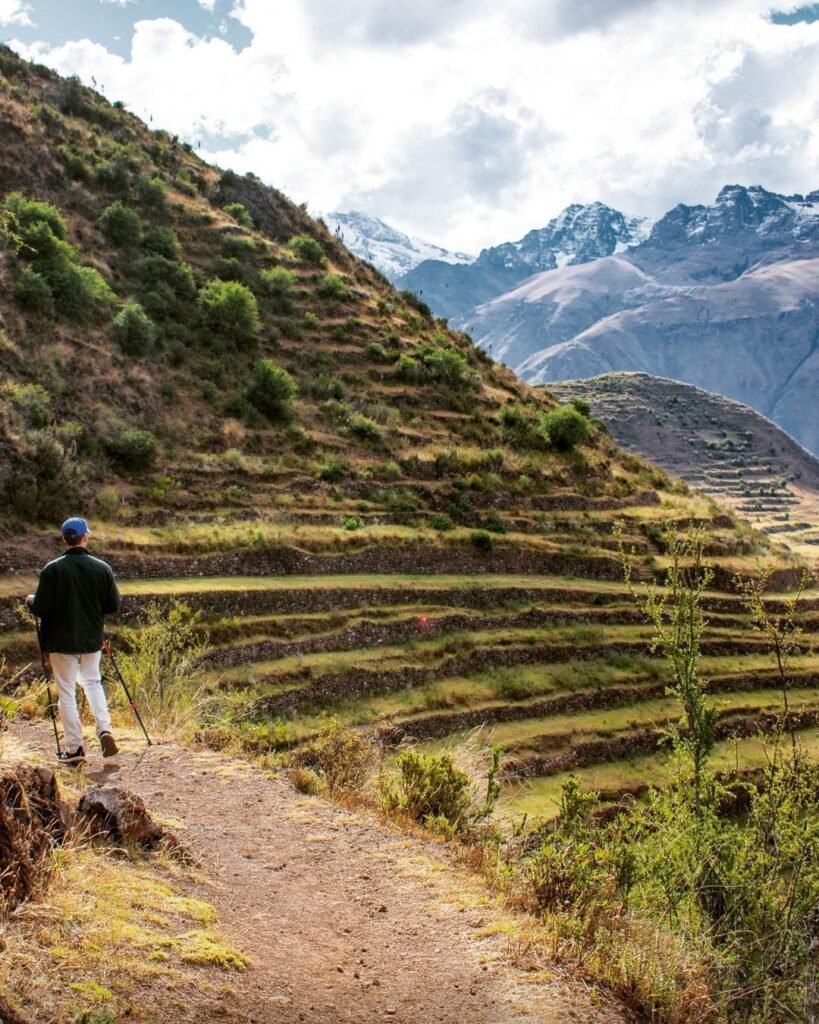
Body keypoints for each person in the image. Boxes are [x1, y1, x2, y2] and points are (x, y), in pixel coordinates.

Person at [27, 517, 122, 764]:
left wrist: (30, 600)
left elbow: (40, 608)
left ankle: (74, 749)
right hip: (91, 640)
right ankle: (104, 729)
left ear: (64, 539)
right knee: (93, 682)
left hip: (60, 642)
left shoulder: (53, 569)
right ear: (85, 537)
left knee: (67, 692)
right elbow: (113, 605)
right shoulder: (102, 568)